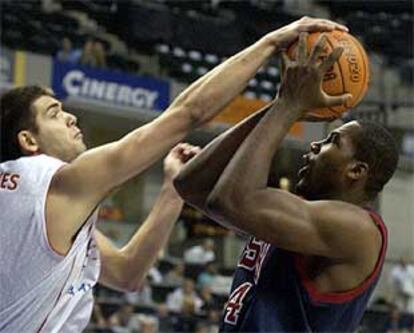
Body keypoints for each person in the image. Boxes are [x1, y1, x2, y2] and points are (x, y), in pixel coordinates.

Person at [0, 16, 348, 332]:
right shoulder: (48, 180)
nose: (71, 118)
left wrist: (171, 191)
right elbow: (187, 114)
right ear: (28, 140)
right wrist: (271, 44)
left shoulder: (31, 204)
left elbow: (126, 273)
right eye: (54, 113)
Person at [174, 32, 399, 331]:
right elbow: (189, 185)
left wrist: (290, 105)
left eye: (332, 141)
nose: (314, 146)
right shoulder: (297, 214)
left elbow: (230, 200)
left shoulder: (359, 230)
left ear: (356, 171)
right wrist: (283, 104)